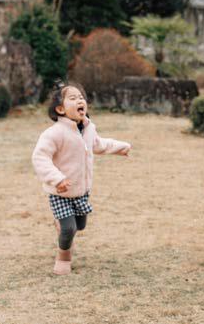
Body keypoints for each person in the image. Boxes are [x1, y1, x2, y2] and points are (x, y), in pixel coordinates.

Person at [32, 82, 131, 275]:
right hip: (60, 191)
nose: (80, 100)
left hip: (81, 191)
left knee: (80, 225)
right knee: (69, 229)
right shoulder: (54, 134)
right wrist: (57, 179)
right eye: (73, 98)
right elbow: (40, 157)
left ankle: (62, 224)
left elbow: (99, 144)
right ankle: (63, 257)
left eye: (81, 97)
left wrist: (121, 147)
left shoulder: (88, 128)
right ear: (60, 109)